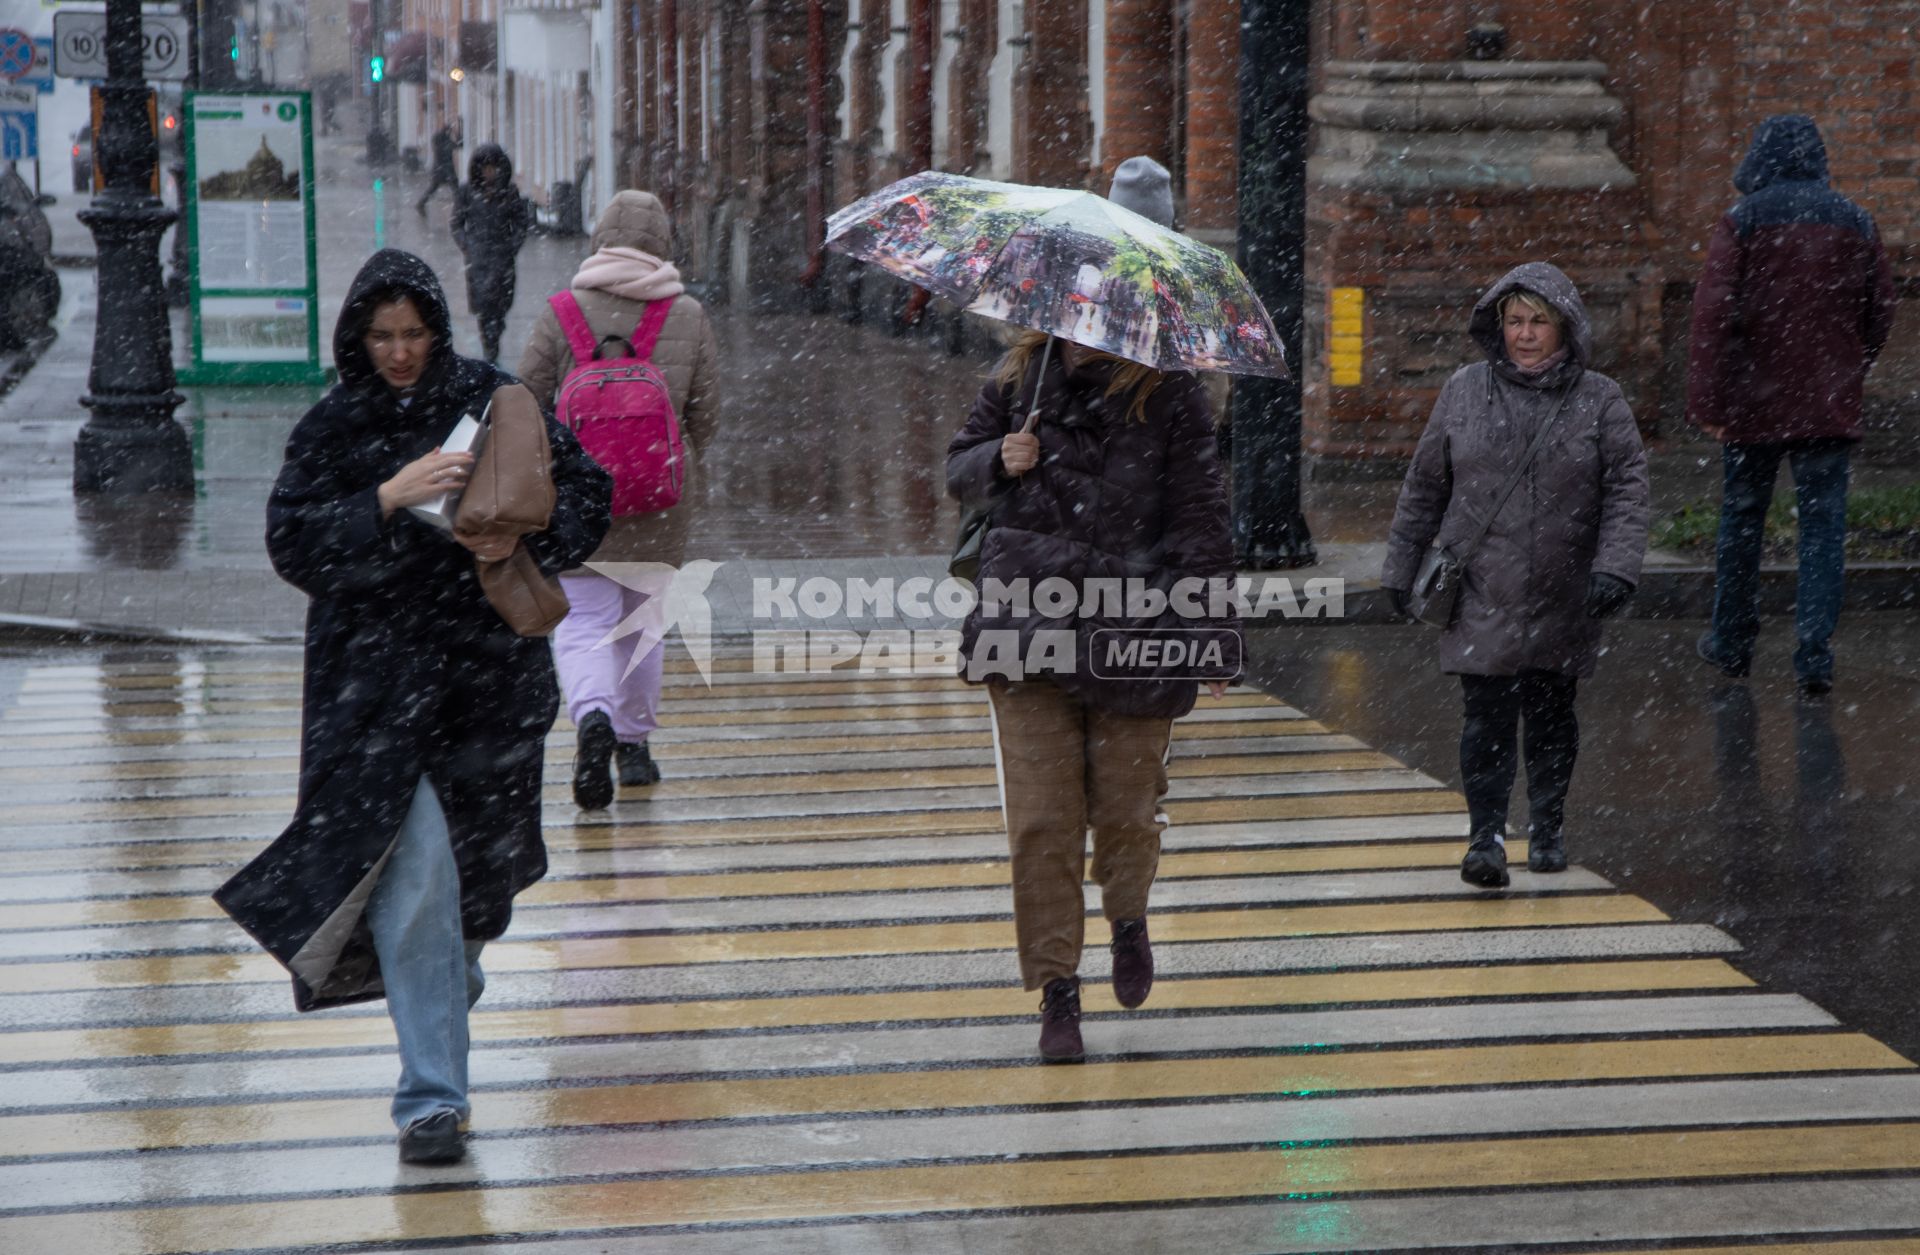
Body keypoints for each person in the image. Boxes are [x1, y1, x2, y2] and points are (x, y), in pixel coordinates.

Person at [218, 248, 611, 1165]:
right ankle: (431, 1100)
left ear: (439, 330)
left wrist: (521, 520)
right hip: (375, 699)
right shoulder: (332, 426)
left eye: (415, 333)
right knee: (417, 881)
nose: (400, 352)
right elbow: (292, 543)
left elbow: (586, 495)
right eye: (383, 335)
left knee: (467, 908)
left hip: (488, 694)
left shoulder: (495, 397)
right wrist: (387, 499)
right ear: (358, 336)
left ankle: (441, 989)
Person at [946, 327, 1240, 1063]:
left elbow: (1201, 518)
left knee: (1126, 811)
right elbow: (958, 470)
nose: (1081, 327)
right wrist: (999, 459)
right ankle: (1058, 990)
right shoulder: (1019, 384)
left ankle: (1129, 916)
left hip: (1135, 631)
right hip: (1025, 628)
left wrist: (1213, 634)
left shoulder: (1169, 396)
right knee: (1043, 821)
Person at [1381, 262, 1649, 889]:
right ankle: (1487, 837)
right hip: (1482, 584)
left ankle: (1549, 825)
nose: (1525, 335)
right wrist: (1400, 566)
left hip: (1565, 584)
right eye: (1514, 321)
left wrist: (1616, 567)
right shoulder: (1464, 390)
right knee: (1486, 716)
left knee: (1553, 712)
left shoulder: (1600, 399)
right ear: (1497, 325)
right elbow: (1425, 485)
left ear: (1565, 328)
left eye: (1539, 322)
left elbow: (1628, 490)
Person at [518, 190, 720, 808]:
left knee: (581, 624)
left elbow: (524, 404)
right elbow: (706, 414)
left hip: (576, 500)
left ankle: (593, 718)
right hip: (659, 500)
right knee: (642, 625)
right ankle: (632, 748)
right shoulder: (686, 314)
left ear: (600, 239)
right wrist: (674, 461)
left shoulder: (561, 312)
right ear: (663, 243)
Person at [1686, 114, 1897, 696]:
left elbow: (1711, 316)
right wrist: (1848, 366)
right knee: (1823, 529)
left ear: (1760, 158)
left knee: (1742, 522)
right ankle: (1813, 656)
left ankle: (1731, 643)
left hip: (1753, 406)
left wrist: (1709, 398)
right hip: (1826, 406)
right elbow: (1881, 311)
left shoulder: (1743, 220)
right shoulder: (1856, 220)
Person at [452, 142, 533, 363]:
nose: (489, 172)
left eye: (493, 168)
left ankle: (494, 332)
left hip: (502, 258)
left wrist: (512, 246)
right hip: (478, 260)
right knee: (484, 307)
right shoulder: (466, 192)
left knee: (500, 305)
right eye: (485, 168)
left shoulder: (509, 192)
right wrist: (467, 245)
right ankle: (490, 348)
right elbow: (457, 223)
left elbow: (521, 222)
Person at [416, 116, 463, 213]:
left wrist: (458, 131)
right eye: (449, 130)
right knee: (453, 188)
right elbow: (457, 145)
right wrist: (457, 133)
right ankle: (461, 205)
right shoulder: (442, 139)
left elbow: (459, 145)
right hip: (444, 169)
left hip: (441, 169)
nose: (450, 132)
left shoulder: (442, 138)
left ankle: (421, 203)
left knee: (435, 188)